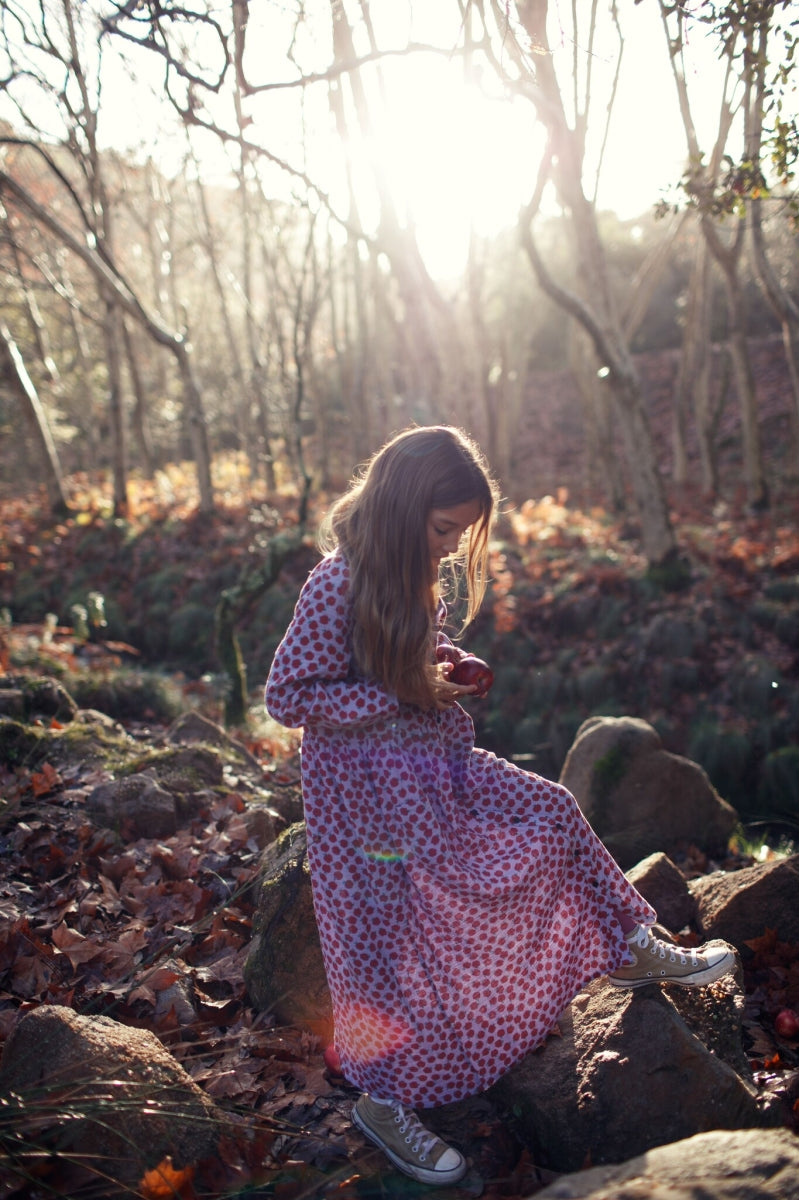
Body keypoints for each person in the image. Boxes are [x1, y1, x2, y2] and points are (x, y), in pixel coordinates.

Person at [264, 425, 735, 1187]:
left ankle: (628, 945)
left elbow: (408, 663)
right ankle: (384, 1101)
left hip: (435, 765)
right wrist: (396, 690)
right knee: (384, 939)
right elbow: (286, 696)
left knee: (548, 808)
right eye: (443, 528)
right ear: (399, 508)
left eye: (461, 532)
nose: (451, 548)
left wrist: (443, 664)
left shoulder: (414, 571)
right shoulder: (334, 582)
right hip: (364, 801)